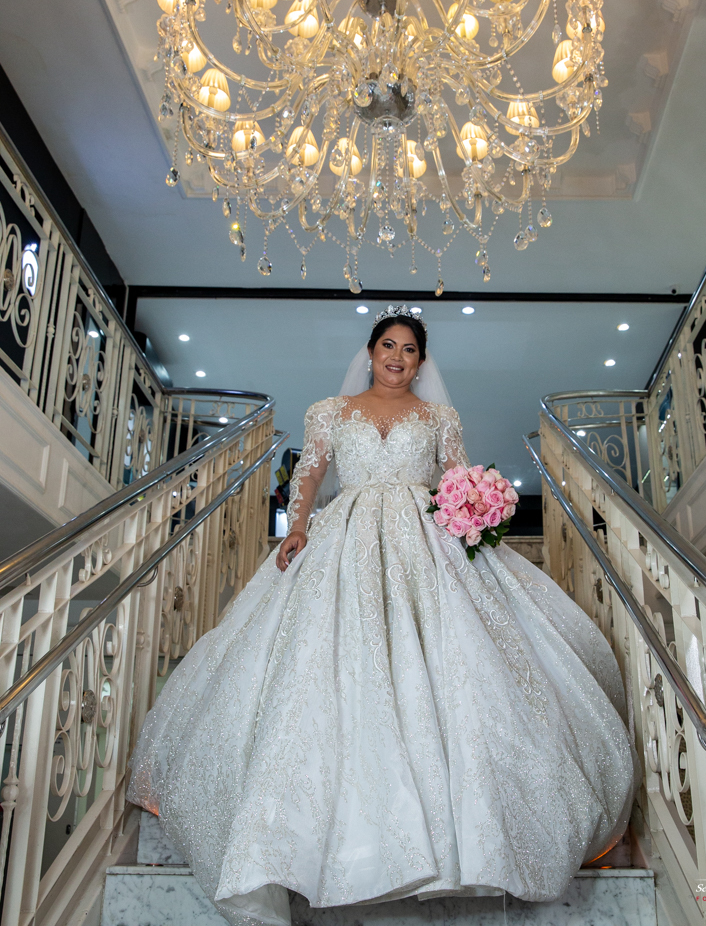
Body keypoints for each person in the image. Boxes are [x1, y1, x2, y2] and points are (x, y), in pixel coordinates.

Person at [127, 306, 635, 926]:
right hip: (347, 535)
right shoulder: (329, 412)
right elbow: (310, 474)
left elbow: (458, 478)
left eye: (409, 350)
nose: (398, 357)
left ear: (421, 363)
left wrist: (476, 509)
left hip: (429, 542)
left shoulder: (441, 418)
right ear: (370, 352)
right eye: (388, 345)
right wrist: (296, 527)